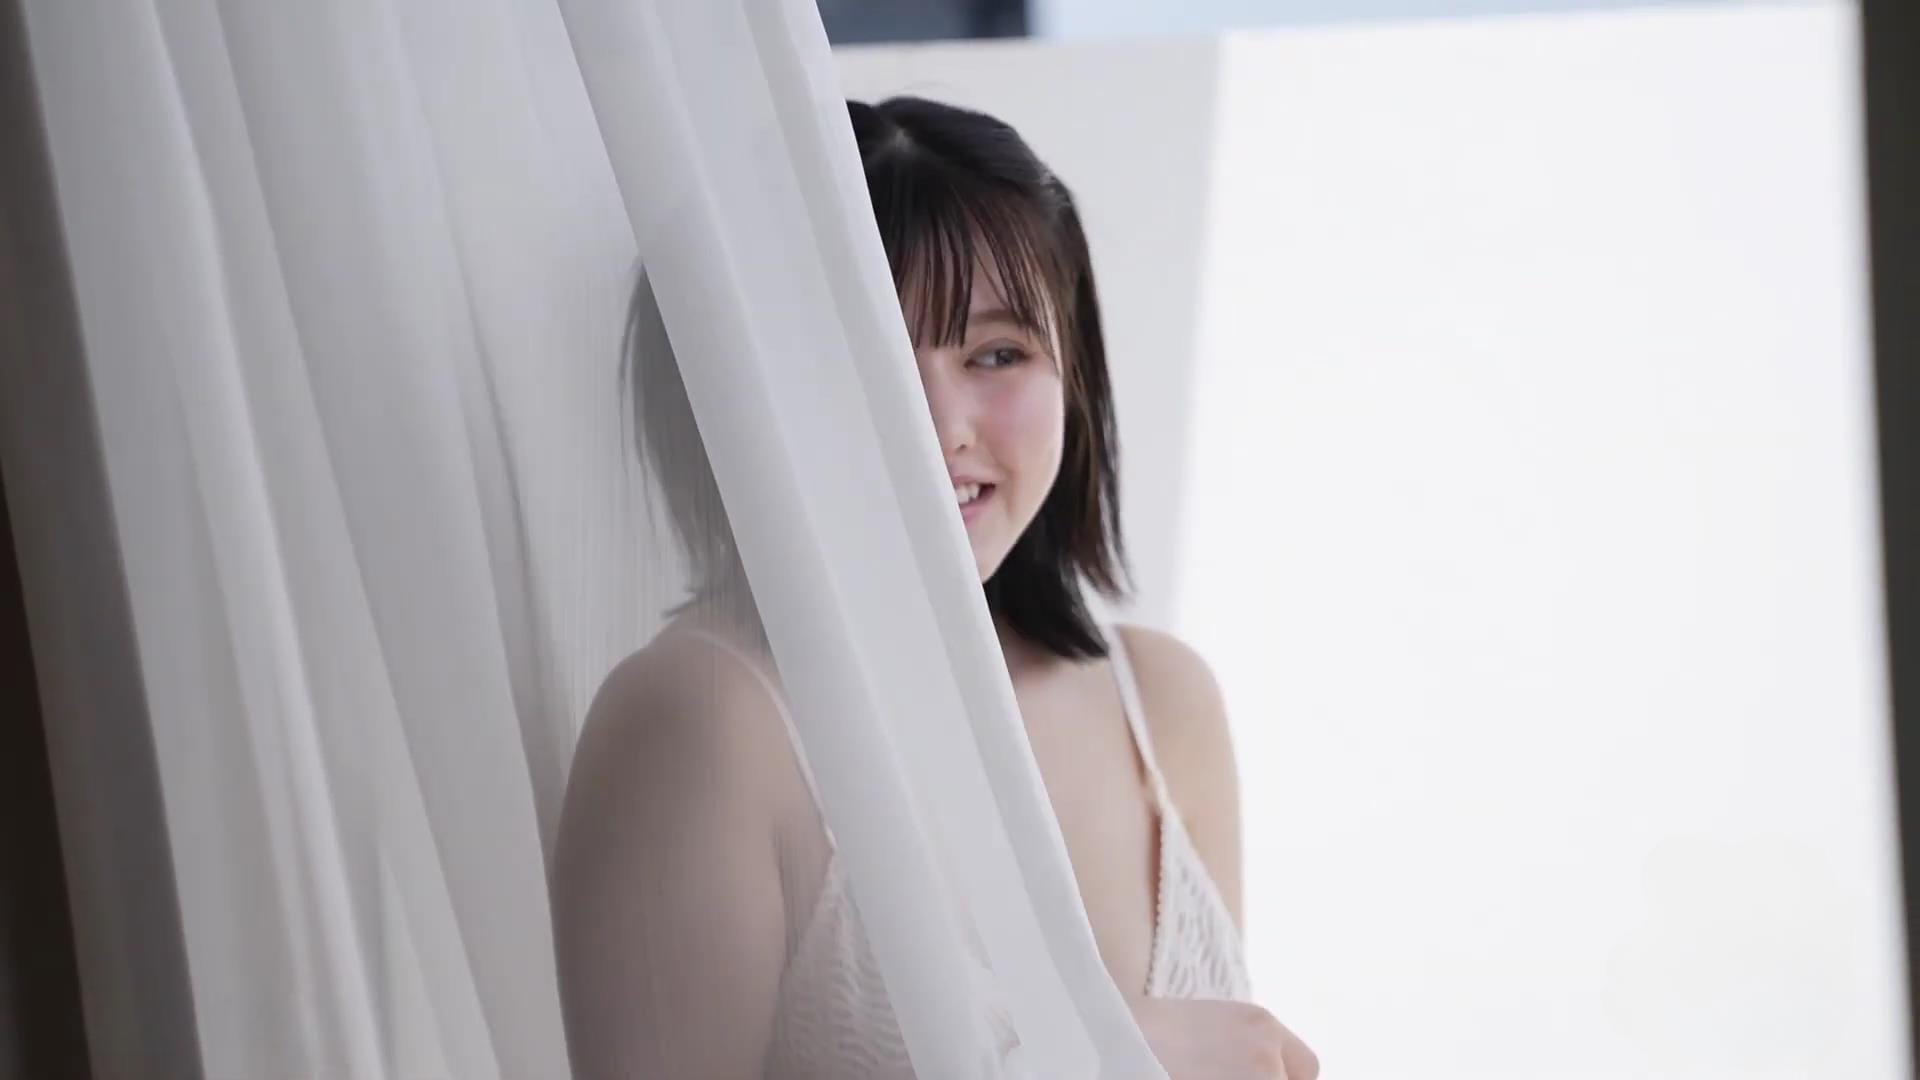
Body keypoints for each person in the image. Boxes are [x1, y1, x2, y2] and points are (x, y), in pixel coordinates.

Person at [551, 96, 1318, 1080]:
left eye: (997, 354)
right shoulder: (704, 720)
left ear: (1073, 374)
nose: (937, 427)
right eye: (861, 353)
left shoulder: (1163, 703)